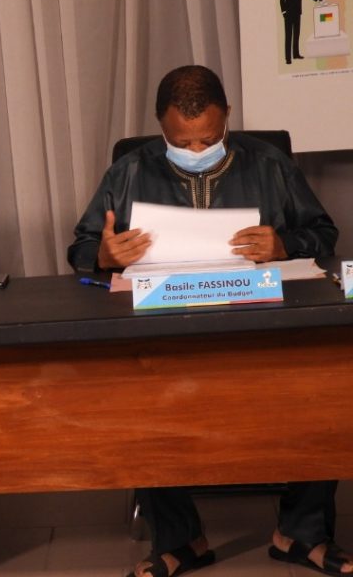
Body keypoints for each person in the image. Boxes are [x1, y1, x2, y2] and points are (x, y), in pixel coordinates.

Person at [68, 65, 346, 577]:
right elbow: (82, 248)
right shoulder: (128, 172)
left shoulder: (270, 164)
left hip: (264, 326)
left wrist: (285, 243)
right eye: (182, 142)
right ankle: (182, 540)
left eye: (209, 139)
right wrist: (102, 256)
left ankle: (301, 533)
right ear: (160, 125)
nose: (196, 150)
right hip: (166, 332)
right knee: (137, 397)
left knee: (324, 387)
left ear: (228, 118)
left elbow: (323, 234)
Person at [280, 0, 323, 65]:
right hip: (288, 14)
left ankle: (296, 54)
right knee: (288, 36)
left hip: (297, 13)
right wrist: (284, 11)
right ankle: (288, 58)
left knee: (296, 34)